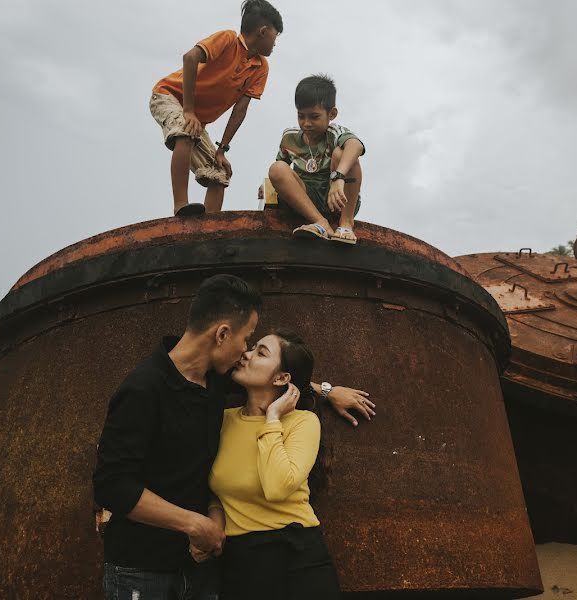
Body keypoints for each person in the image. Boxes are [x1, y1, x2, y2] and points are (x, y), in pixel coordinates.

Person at [93, 275, 374, 600]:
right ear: (222, 334)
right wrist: (196, 524)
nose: (245, 352)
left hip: (206, 567)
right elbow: (112, 484)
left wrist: (327, 390)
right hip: (142, 568)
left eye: (255, 346)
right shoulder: (143, 389)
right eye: (246, 339)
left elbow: (277, 381)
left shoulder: (216, 382)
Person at [203, 330, 340, 599]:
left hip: (298, 559)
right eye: (251, 347)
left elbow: (277, 487)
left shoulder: (302, 422)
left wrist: (272, 418)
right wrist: (214, 511)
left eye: (260, 352)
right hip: (241, 563)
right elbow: (213, 484)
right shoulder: (222, 421)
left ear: (281, 378)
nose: (246, 354)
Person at [151, 0, 282, 217]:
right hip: (170, 96)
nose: (275, 44)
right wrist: (189, 111)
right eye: (275, 37)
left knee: (219, 172)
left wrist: (222, 149)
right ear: (263, 31)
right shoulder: (228, 40)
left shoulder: (261, 68)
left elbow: (240, 109)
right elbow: (190, 57)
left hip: (195, 118)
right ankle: (180, 206)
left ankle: (208, 227)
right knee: (185, 132)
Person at [268, 74, 365, 245]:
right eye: (301, 116)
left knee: (341, 154)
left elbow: (355, 146)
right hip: (305, 201)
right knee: (277, 168)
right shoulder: (289, 138)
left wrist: (338, 177)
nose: (306, 123)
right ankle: (320, 222)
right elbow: (281, 172)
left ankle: (346, 224)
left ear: (331, 114)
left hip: (337, 199)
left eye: (314, 117)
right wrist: (267, 188)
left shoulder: (334, 133)